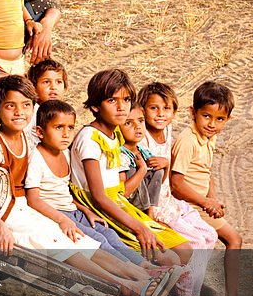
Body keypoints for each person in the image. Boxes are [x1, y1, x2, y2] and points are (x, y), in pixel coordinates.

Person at [0, 76, 169, 296]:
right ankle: (126, 286)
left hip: (20, 209)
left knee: (76, 236)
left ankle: (139, 276)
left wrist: (64, 218)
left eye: (25, 105)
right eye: (10, 106)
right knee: (57, 241)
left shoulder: (26, 137)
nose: (19, 112)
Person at [69, 69, 193, 296]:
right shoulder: (90, 138)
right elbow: (99, 196)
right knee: (164, 257)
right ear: (95, 105)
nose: (121, 106)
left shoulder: (114, 135)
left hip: (119, 203)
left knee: (181, 251)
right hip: (101, 207)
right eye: (113, 100)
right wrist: (138, 227)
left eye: (126, 100)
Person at [26, 100, 158, 271]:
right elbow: (33, 200)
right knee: (98, 240)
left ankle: (144, 265)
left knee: (108, 232)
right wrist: (62, 219)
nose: (66, 134)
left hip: (72, 210)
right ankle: (136, 272)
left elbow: (66, 192)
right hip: (54, 213)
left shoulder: (65, 153)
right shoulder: (36, 158)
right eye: (59, 128)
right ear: (40, 132)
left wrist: (86, 211)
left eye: (70, 128)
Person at [139, 81, 220, 296]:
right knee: (193, 243)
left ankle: (187, 292)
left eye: (166, 109)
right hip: (154, 205)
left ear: (174, 112)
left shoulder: (168, 130)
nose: (160, 114)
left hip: (170, 200)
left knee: (209, 234)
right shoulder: (142, 136)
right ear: (142, 110)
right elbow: (149, 179)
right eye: (154, 108)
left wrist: (166, 162)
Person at [170, 81, 252, 296]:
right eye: (206, 116)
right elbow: (176, 184)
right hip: (188, 205)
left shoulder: (208, 137)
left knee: (215, 239)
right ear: (192, 113)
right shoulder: (188, 140)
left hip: (201, 203)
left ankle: (198, 285)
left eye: (219, 119)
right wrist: (206, 203)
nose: (212, 124)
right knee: (234, 239)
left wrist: (213, 200)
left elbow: (207, 172)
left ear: (227, 119)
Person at [119, 105, 163, 214]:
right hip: (128, 208)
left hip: (147, 208)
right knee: (133, 170)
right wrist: (142, 169)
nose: (137, 126)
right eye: (128, 123)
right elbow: (122, 193)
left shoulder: (143, 150)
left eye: (140, 121)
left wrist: (165, 165)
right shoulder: (120, 154)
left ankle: (149, 214)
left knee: (156, 169)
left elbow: (157, 182)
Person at [24, 58, 67, 147]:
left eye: (58, 82)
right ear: (33, 87)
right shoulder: (31, 113)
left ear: (65, 88)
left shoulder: (64, 112)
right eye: (46, 82)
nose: (53, 87)